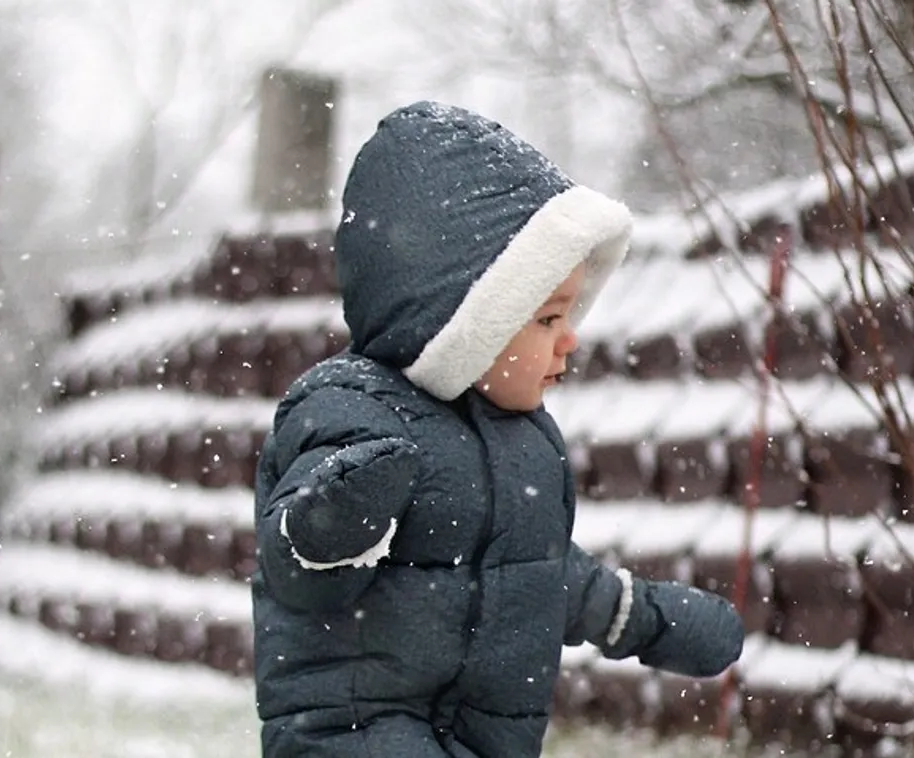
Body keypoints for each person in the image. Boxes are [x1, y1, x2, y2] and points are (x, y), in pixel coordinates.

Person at [251, 101, 744, 758]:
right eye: (545, 320)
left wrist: (638, 616)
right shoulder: (347, 407)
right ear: (462, 320)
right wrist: (337, 518)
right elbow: (298, 571)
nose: (569, 341)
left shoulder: (524, 444)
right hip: (352, 734)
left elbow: (532, 580)